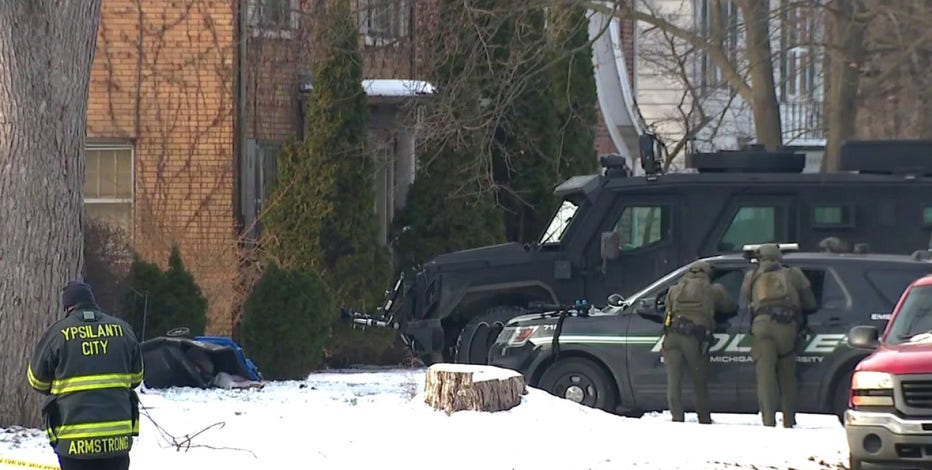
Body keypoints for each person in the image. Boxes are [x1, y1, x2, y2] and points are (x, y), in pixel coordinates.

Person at [26, 281, 143, 470]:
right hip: (118, 441)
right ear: (92, 301)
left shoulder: (58, 333)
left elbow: (36, 381)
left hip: (74, 442)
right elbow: (136, 378)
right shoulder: (123, 329)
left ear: (67, 306)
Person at [741, 244, 817, 428]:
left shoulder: (751, 276)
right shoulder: (794, 274)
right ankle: (789, 421)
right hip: (786, 327)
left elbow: (745, 299)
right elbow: (810, 303)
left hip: (761, 327)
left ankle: (768, 421)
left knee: (765, 378)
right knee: (787, 377)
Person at [662, 261, 738, 424]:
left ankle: (677, 418)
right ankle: (703, 419)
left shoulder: (674, 290)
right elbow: (731, 307)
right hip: (694, 338)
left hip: (672, 337)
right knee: (699, 381)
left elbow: (667, 310)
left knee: (673, 382)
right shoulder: (713, 290)